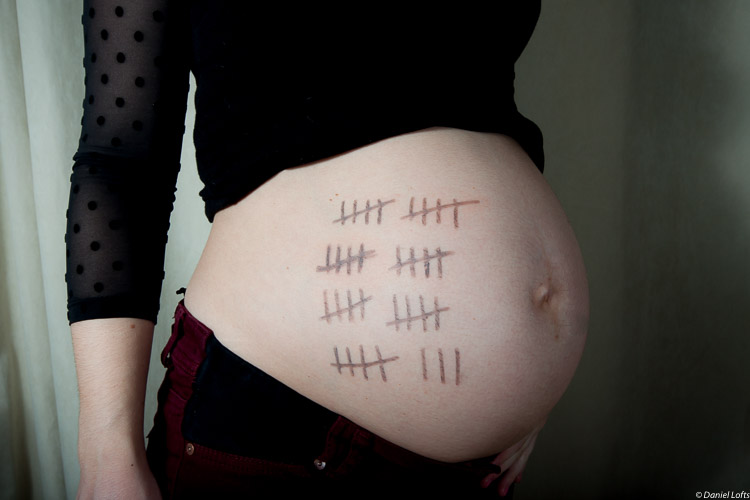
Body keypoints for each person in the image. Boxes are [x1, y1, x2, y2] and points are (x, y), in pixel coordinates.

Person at [65, 1, 589, 498]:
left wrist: (518, 384)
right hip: (280, 429)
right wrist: (107, 453)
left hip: (473, 466)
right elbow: (118, 164)